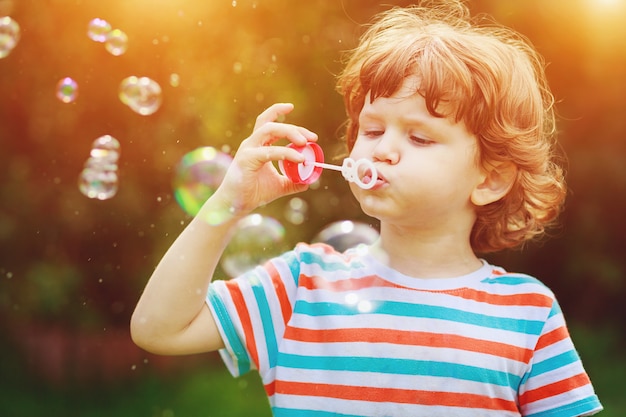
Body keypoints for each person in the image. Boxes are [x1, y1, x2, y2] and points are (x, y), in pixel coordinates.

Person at [131, 1, 603, 416]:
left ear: (491, 179)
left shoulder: (527, 313)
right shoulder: (300, 286)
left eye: (418, 137)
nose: (381, 150)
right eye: (372, 130)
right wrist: (227, 205)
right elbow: (159, 330)